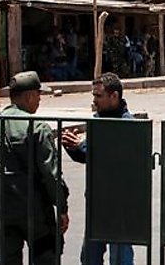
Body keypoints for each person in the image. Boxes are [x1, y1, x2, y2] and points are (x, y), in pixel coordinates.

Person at [0, 71, 70, 265]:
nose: (39, 100)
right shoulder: (37, 127)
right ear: (28, 96)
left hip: (0, 213)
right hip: (35, 215)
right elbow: (51, 174)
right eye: (38, 95)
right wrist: (62, 207)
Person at [61, 72, 135, 265]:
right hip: (96, 203)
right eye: (93, 96)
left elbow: (112, 156)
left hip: (120, 206)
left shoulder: (128, 125)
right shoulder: (97, 120)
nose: (94, 101)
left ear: (114, 96)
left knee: (120, 258)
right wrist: (72, 146)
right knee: (89, 258)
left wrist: (82, 145)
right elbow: (90, 157)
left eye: (98, 96)